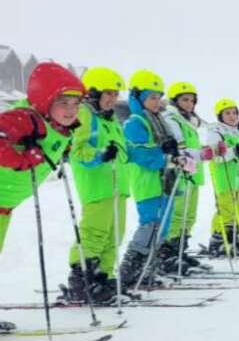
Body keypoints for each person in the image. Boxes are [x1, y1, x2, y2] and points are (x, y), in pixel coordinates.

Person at [118, 69, 193, 290]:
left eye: (159, 97)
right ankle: (131, 270)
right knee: (150, 225)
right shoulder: (135, 122)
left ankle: (149, 267)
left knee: (163, 226)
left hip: (166, 182)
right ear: (138, 97)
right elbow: (142, 154)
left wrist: (177, 157)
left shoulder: (160, 119)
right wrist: (166, 155)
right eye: (151, 97)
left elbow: (170, 148)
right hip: (148, 183)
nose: (156, 102)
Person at [0, 62, 84, 256]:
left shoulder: (59, 126)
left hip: (5, 207)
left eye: (76, 103)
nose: (71, 110)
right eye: (63, 102)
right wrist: (21, 161)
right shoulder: (27, 118)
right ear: (45, 101)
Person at [65, 67, 128, 303]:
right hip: (97, 186)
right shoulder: (85, 115)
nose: (113, 99)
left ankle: (104, 277)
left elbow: (123, 153)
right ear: (93, 92)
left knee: (114, 236)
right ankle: (82, 279)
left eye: (115, 94)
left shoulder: (110, 120)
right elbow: (77, 150)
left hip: (118, 187)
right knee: (94, 233)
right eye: (108, 93)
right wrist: (100, 155)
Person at [163, 81, 207, 273]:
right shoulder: (172, 118)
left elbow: (192, 148)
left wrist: (203, 152)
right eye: (185, 100)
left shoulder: (187, 120)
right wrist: (203, 154)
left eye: (192, 101)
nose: (189, 104)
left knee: (189, 215)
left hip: (191, 173)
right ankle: (168, 253)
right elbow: (181, 149)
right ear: (175, 100)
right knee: (178, 214)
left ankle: (180, 250)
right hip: (179, 174)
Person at [205, 98, 239, 256]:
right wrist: (232, 152)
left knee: (237, 209)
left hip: (237, 177)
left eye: (234, 113)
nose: (232, 116)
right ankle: (218, 239)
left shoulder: (236, 132)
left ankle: (231, 237)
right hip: (224, 177)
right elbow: (215, 155)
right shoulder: (216, 132)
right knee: (225, 208)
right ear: (220, 115)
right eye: (227, 113)